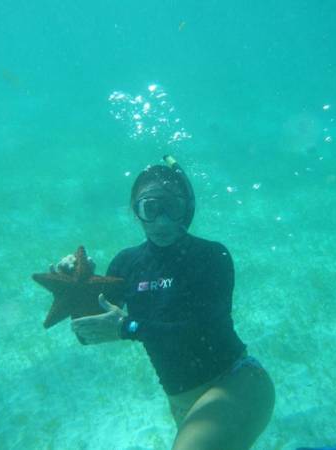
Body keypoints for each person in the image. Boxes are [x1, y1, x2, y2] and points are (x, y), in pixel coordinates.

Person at [58, 155, 275, 450]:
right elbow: (88, 333)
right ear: (135, 212)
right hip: (183, 405)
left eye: (171, 208)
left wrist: (126, 326)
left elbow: (201, 328)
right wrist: (76, 286)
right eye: (150, 208)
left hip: (237, 384)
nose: (161, 220)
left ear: (185, 209)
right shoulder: (126, 263)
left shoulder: (211, 256)